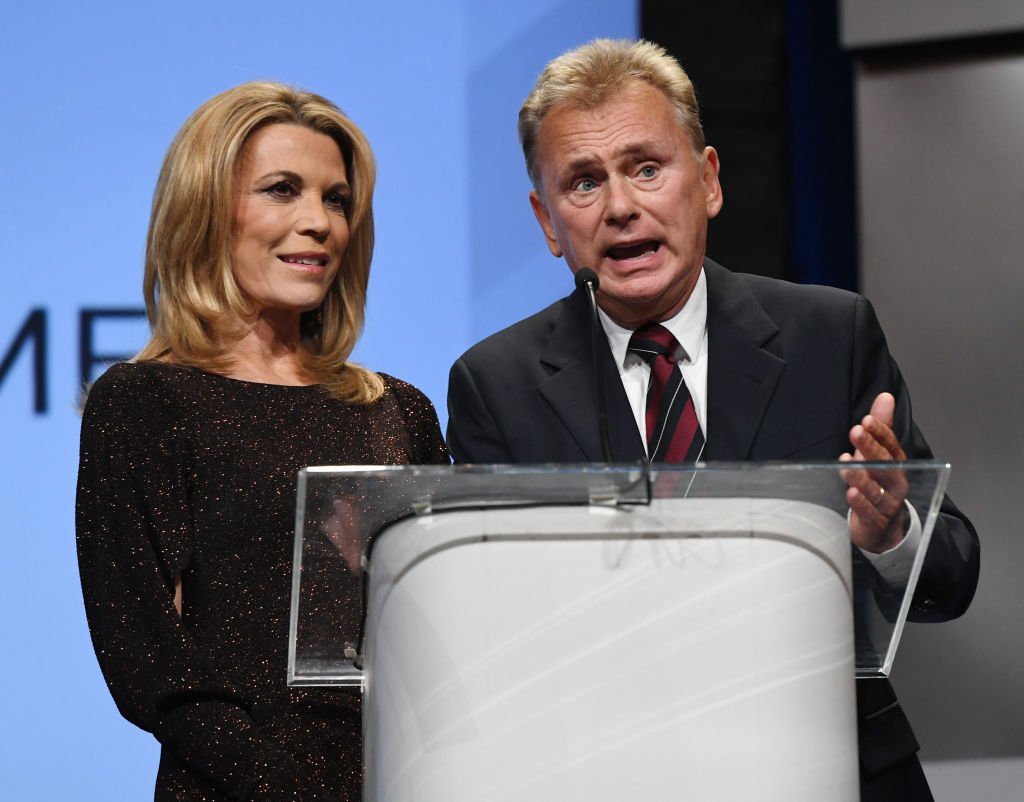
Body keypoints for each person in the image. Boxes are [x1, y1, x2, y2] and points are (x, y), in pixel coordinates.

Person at [446, 39, 979, 801]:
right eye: (585, 182)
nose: (621, 206)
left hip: (831, 766)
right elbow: (494, 626)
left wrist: (891, 531)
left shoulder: (828, 336)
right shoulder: (495, 384)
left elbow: (953, 575)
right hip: (610, 772)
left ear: (709, 180)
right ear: (547, 221)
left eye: (647, 168)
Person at [76, 81, 449, 801]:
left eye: (336, 199)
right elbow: (148, 658)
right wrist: (291, 782)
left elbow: (444, 626)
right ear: (207, 209)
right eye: (283, 190)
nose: (319, 222)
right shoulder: (145, 402)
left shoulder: (398, 409)